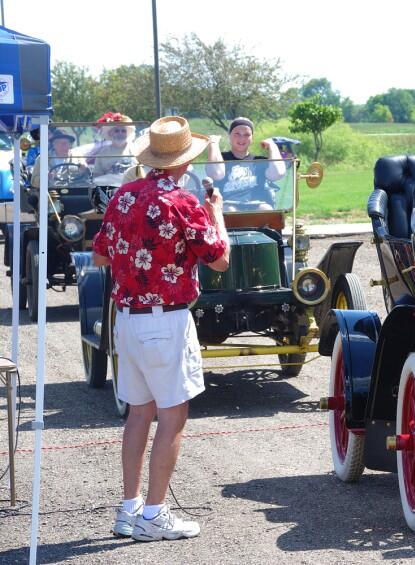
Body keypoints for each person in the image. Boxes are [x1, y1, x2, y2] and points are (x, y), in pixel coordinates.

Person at [91, 116, 230, 541]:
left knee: (138, 413)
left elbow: (100, 257)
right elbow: (220, 259)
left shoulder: (125, 195)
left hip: (127, 319)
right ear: (183, 161)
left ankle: (129, 508)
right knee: (172, 418)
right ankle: (153, 514)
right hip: (165, 319)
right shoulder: (183, 201)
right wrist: (216, 215)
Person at [205, 117, 287, 210]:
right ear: (229, 135)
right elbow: (216, 174)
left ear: (252, 137)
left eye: (247, 135)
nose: (241, 138)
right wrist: (213, 143)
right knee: (230, 210)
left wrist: (273, 146)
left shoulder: (259, 161)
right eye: (237, 134)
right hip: (227, 204)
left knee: (265, 209)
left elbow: (278, 174)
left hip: (256, 204)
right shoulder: (221, 159)